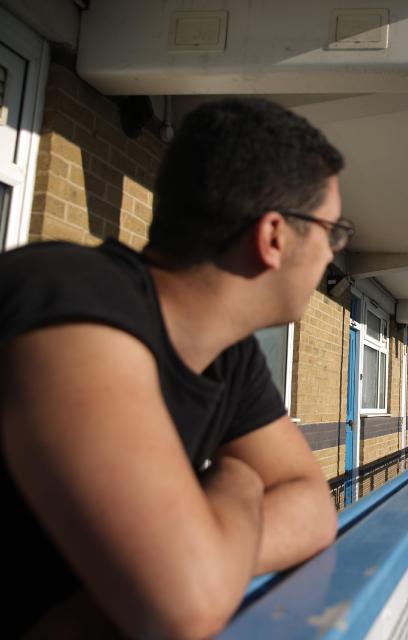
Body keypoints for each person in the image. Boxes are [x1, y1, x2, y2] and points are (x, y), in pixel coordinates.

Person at [0, 98, 349, 638]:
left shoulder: (228, 356)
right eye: (332, 231)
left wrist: (207, 547)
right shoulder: (69, 303)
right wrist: (241, 475)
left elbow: (311, 506)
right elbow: (186, 604)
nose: (332, 255)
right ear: (274, 236)